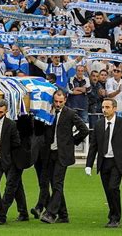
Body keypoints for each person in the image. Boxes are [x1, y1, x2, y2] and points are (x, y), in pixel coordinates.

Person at [85, 98, 122, 228]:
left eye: (107, 107)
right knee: (108, 190)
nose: (104, 110)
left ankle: (115, 218)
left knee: (114, 188)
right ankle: (112, 215)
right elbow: (94, 146)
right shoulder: (99, 124)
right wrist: (89, 165)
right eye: (103, 107)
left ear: (114, 108)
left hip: (117, 162)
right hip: (104, 162)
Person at [40, 90, 89, 224]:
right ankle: (64, 215)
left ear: (65, 100)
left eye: (60, 102)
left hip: (63, 154)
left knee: (57, 183)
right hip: (50, 153)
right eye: (56, 101)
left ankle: (50, 213)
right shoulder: (47, 113)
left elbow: (84, 129)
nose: (58, 104)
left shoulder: (70, 113)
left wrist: (72, 141)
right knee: (54, 184)